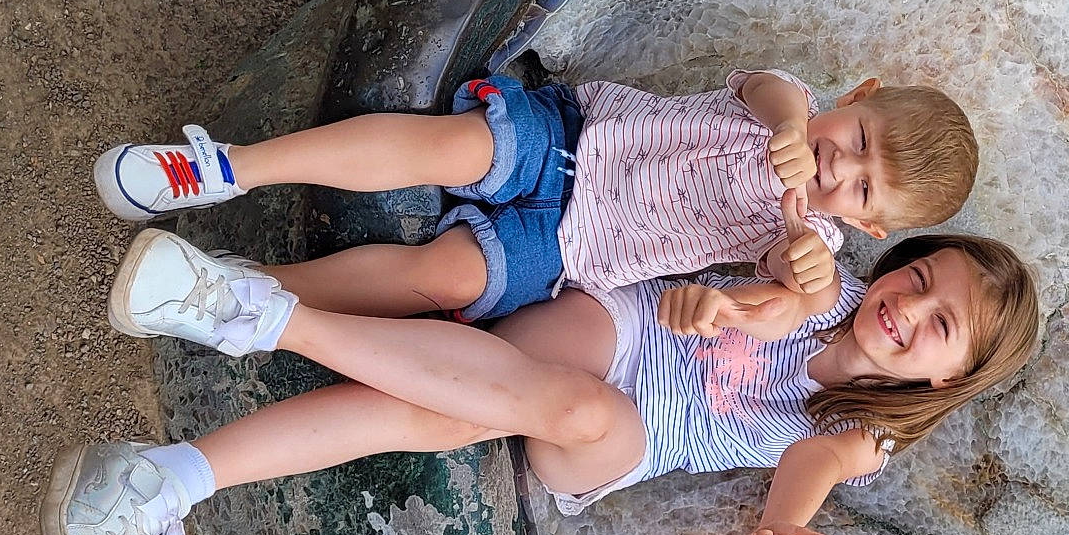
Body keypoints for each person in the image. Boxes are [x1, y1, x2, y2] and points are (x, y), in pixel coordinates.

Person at [43, 223, 1042, 535]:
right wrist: (776, 281)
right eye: (919, 278)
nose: (906, 310)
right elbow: (788, 226)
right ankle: (162, 478)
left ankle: (258, 314)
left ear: (950, 376)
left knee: (567, 411)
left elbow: (811, 467)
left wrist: (777, 534)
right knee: (430, 418)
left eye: (936, 325)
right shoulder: (829, 274)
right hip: (611, 329)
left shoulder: (873, 433)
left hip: (618, 438)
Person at [95, 67, 979, 329]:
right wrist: (793, 123)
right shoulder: (789, 110)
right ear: (856, 97)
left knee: (444, 279)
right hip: (569, 142)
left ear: (866, 223)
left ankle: (240, 282)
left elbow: (801, 300)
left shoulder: (810, 235)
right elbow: (769, 91)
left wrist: (806, 276)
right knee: (453, 146)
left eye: (861, 189)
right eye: (854, 141)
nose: (835, 168)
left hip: (568, 254)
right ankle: (228, 167)